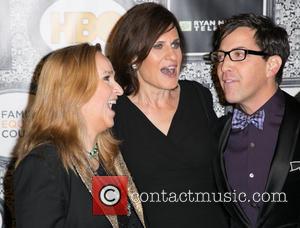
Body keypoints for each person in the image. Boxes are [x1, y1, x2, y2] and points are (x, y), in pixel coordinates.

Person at [107, 3, 228, 228]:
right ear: (133, 56)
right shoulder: (114, 113)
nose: (172, 55)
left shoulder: (197, 95)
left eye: (175, 44)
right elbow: (110, 203)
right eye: (159, 46)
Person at [13, 43, 145, 228]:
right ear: (74, 90)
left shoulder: (105, 159)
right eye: (107, 78)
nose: (119, 90)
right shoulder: (43, 165)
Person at [210, 13, 300, 228]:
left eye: (238, 54)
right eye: (221, 56)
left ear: (272, 65)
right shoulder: (217, 133)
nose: (224, 67)